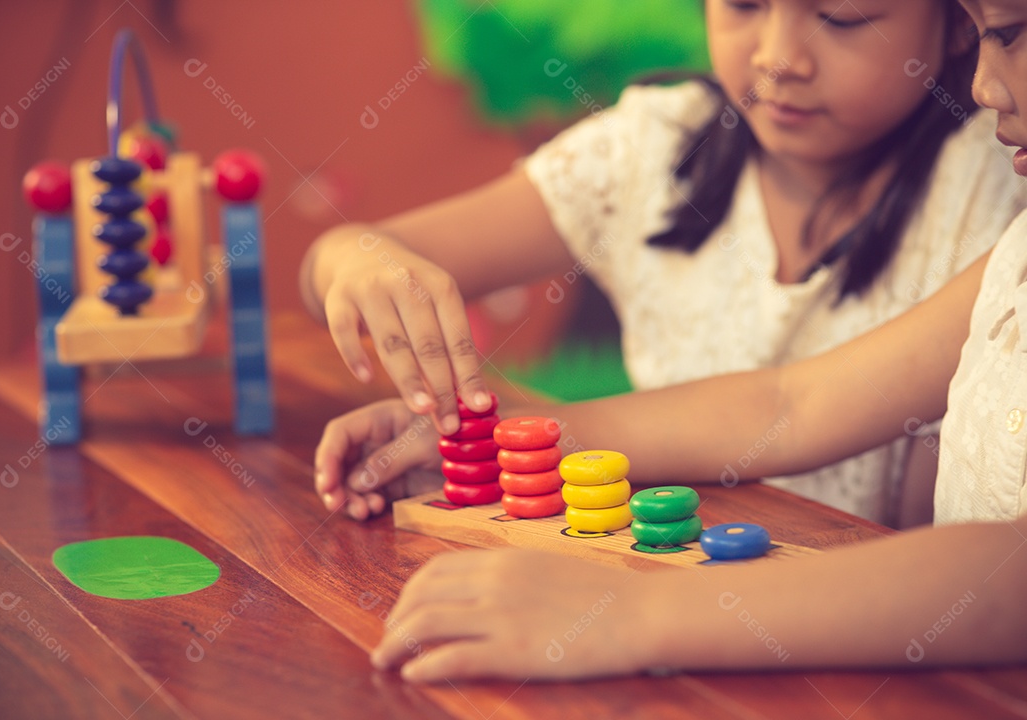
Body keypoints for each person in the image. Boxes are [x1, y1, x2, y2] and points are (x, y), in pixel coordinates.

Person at [365, 0, 1027, 681]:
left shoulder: (987, 188)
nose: (982, 85)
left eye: (842, 16)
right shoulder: (1016, 254)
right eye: (743, 4)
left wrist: (637, 615)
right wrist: (496, 443)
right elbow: (788, 405)